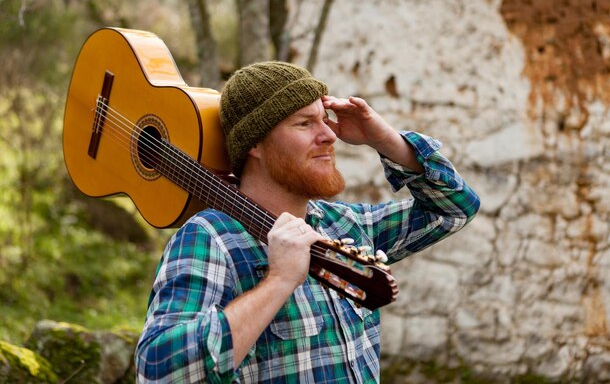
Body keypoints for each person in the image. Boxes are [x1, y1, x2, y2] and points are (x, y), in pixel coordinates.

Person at [134, 61, 480, 383]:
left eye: (324, 118)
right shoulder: (210, 239)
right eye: (304, 122)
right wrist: (278, 281)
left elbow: (454, 208)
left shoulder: (343, 224)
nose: (329, 135)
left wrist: (385, 139)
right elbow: (158, 371)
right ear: (255, 142)